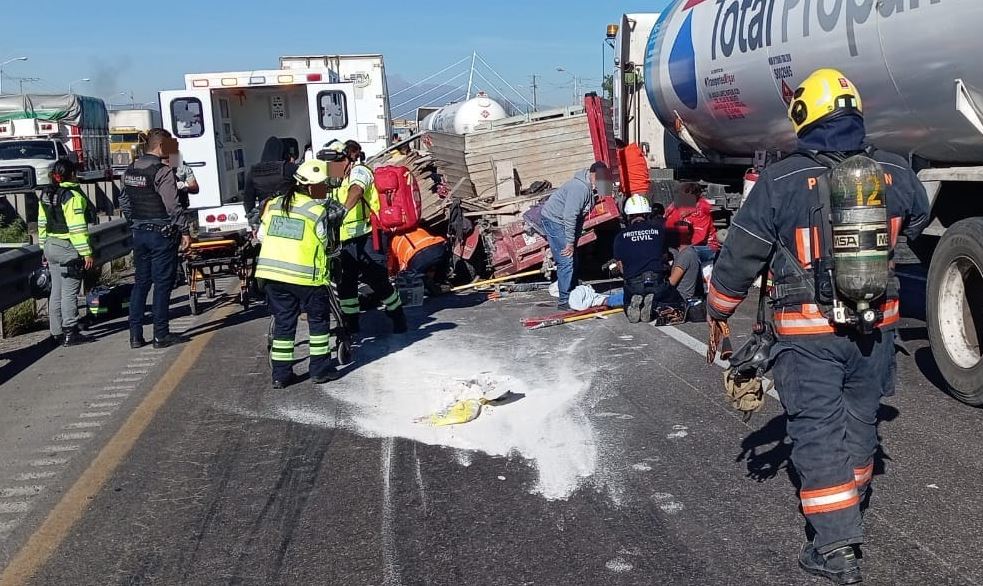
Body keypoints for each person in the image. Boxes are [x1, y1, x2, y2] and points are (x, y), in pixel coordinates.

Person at [706, 68, 930, 584]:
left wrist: (718, 310)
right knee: (860, 421)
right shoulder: (894, 170)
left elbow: (740, 256)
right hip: (878, 328)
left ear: (804, 115)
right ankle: (851, 505)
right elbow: (916, 223)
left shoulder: (780, 179)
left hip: (809, 337)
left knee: (817, 432)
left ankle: (835, 548)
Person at [255, 159, 341, 388]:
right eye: (323, 184)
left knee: (284, 323)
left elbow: (261, 236)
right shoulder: (316, 210)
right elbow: (325, 242)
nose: (326, 188)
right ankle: (320, 370)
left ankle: (280, 376)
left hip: (273, 275)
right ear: (312, 186)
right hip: (306, 277)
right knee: (318, 323)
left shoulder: (274, 204)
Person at [120, 128, 191, 349]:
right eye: (169, 147)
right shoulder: (162, 171)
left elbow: (124, 201)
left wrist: (136, 221)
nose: (172, 151)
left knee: (141, 283)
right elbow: (172, 205)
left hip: (139, 233)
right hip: (161, 234)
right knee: (162, 284)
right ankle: (161, 334)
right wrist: (185, 231)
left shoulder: (130, 170)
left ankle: (135, 335)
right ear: (160, 146)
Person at [329, 139, 407, 333]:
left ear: (348, 157)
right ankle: (351, 324)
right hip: (343, 240)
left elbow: (357, 190)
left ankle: (397, 314)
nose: (333, 166)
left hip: (367, 236)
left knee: (377, 281)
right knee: (346, 285)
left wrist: (342, 211)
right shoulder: (332, 177)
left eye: (337, 161)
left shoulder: (360, 171)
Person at [38, 158, 94, 346]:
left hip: (50, 245)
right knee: (70, 291)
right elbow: (77, 228)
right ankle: (70, 331)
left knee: (56, 291)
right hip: (67, 246)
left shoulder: (46, 194)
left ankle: (56, 331)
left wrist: (43, 248)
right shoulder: (72, 196)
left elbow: (41, 223)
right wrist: (86, 252)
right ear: (72, 174)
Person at [541, 161, 608, 309]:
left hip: (562, 220)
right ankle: (565, 300)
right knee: (566, 259)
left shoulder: (590, 188)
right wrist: (570, 243)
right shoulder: (580, 188)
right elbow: (570, 216)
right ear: (594, 175)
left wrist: (574, 240)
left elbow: (579, 217)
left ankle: (570, 288)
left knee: (573, 257)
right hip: (554, 220)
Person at [612, 195, 680, 323]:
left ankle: (633, 303)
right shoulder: (659, 231)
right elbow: (666, 254)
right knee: (668, 297)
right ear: (647, 214)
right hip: (656, 280)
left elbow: (620, 265)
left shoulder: (621, 236)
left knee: (627, 296)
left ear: (628, 215)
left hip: (634, 282)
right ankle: (653, 304)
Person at [243, 137, 299, 216]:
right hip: (288, 213)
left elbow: (248, 199)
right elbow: (310, 182)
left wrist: (251, 219)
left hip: (266, 216)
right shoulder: (288, 168)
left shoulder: (253, 171)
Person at [387, 227, 450, 295]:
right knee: (437, 260)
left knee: (411, 276)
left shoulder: (393, 242)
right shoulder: (417, 228)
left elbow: (397, 268)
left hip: (417, 257)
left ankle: (428, 284)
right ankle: (441, 280)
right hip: (438, 248)